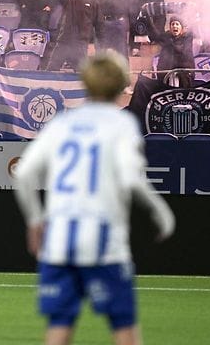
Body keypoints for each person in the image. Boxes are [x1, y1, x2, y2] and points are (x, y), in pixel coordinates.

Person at [13, 54, 175, 345]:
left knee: (59, 327)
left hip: (59, 239)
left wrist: (35, 221)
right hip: (103, 241)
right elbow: (129, 176)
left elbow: (23, 174)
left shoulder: (62, 123)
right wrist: (160, 210)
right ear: (123, 85)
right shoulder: (121, 124)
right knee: (124, 328)